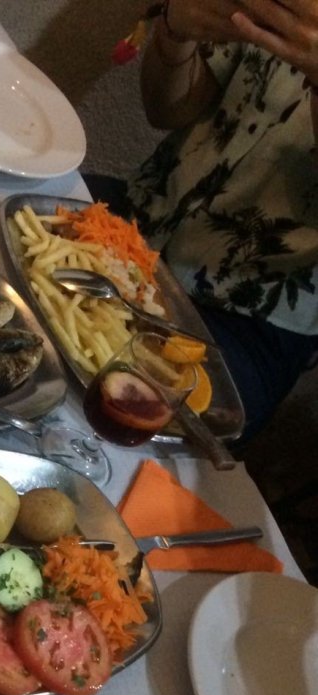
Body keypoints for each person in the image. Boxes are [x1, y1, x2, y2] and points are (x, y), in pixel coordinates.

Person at [91, 0, 318, 441]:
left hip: (248, 319)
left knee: (127, 439)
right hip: (139, 218)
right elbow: (166, 110)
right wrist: (176, 33)